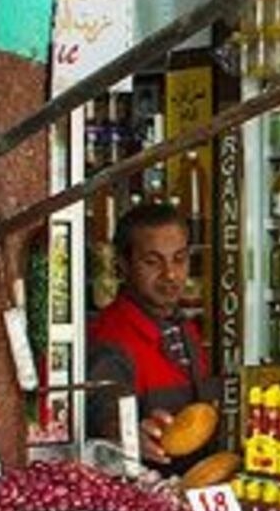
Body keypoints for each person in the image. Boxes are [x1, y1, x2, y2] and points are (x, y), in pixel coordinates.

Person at [88, 201, 221, 469]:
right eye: (152, 262)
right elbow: (104, 412)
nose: (170, 274)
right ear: (123, 264)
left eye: (179, 259)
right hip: (147, 494)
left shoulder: (183, 324)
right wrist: (125, 433)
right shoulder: (111, 337)